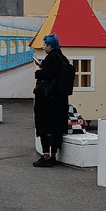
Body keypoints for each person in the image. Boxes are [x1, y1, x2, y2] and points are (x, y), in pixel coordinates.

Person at [32, 33, 73, 167]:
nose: (44, 48)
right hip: (60, 100)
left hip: (47, 100)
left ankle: (46, 156)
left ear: (50, 45)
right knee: (56, 127)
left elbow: (45, 75)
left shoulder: (50, 58)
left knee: (44, 126)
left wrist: (38, 69)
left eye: (45, 45)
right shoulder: (63, 58)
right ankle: (54, 156)